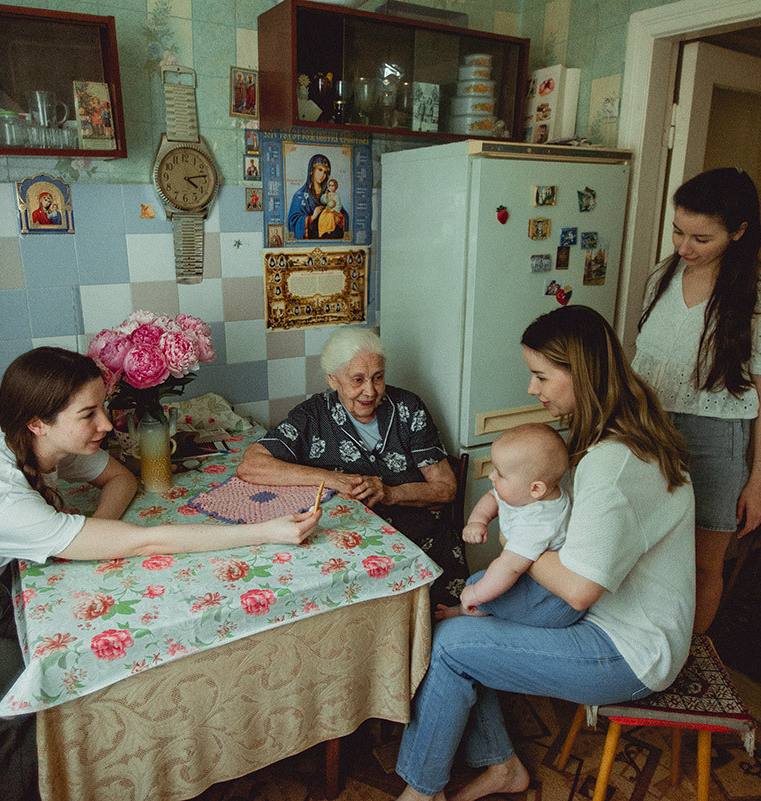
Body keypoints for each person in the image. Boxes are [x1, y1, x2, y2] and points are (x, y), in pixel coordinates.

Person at [0, 347, 320, 801]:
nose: (107, 424)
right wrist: (267, 531)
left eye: (104, 407)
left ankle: (128, 770)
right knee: (39, 690)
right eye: (88, 414)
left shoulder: (36, 439)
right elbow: (148, 541)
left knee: (98, 646)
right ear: (38, 421)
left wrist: (95, 531)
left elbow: (122, 479)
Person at [393, 305, 695, 801]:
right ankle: (502, 767)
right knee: (470, 612)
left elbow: (577, 590)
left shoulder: (612, 463)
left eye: (541, 375)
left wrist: (517, 547)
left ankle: (420, 794)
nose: (532, 389)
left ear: (583, 373)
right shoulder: (617, 436)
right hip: (624, 624)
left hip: (628, 649)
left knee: (449, 644)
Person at [632, 167, 761, 633]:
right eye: (678, 231)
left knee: (703, 565)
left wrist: (759, 478)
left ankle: (686, 666)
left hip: (716, 439)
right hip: (647, 430)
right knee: (640, 553)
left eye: (701, 239)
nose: (684, 248)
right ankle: (642, 647)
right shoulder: (662, 278)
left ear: (740, 231)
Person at [237, 327, 469, 606]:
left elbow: (445, 489)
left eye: (378, 378)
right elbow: (252, 465)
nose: (370, 391)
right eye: (357, 380)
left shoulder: (408, 408)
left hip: (423, 546)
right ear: (333, 380)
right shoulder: (313, 415)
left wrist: (391, 493)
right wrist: (334, 479)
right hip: (351, 552)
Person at [435, 422, 573, 623]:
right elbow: (493, 497)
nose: (492, 476)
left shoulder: (539, 523)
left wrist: (477, 595)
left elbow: (510, 567)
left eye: (500, 474)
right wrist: (478, 521)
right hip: (528, 573)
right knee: (481, 583)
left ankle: (469, 611)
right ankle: (476, 607)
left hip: (550, 598)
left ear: (536, 489)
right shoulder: (526, 492)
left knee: (481, 589)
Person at [286, 153, 348, 240]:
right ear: (312, 170)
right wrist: (311, 218)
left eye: (325, 172)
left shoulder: (330, 194)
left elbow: (343, 215)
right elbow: (292, 221)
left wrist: (338, 217)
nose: (322, 175)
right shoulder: (299, 195)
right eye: (320, 170)